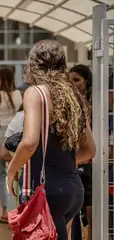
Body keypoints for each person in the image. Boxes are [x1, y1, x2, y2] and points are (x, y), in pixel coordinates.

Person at [7, 39, 96, 240]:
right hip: (73, 189)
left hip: (45, 190)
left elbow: (29, 142)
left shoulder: (35, 93)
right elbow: (90, 150)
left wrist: (12, 170)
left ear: (32, 63)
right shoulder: (73, 95)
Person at [0, 68, 22, 224]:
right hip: (17, 136)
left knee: (0, 174)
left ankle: (5, 211)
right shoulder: (20, 95)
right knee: (15, 173)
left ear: (3, 79)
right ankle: (16, 209)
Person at [69, 64, 93, 240]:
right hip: (73, 159)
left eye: (76, 80)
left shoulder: (96, 103)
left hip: (92, 162)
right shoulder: (68, 101)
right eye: (70, 80)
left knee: (91, 207)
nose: (73, 83)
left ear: (87, 81)